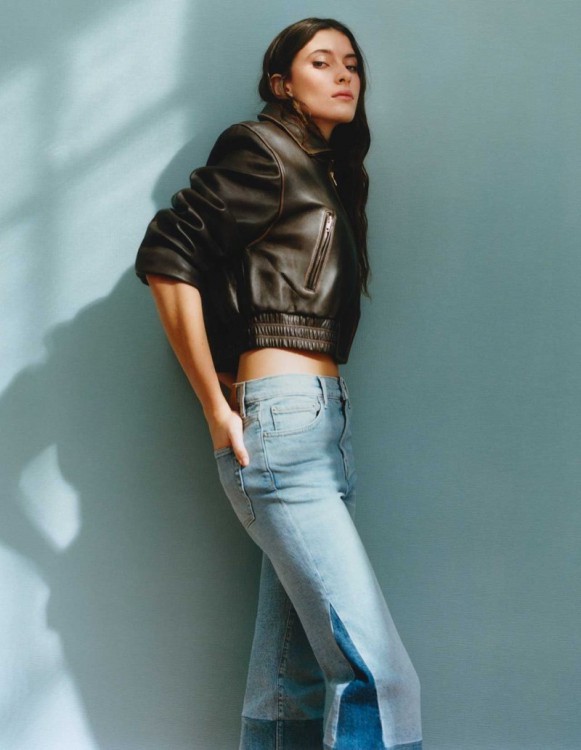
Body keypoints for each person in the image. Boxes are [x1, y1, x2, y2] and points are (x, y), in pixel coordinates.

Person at [134, 17, 422, 750]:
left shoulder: (324, 172)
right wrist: (215, 403)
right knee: (379, 676)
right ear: (280, 84)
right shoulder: (261, 149)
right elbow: (168, 256)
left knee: (286, 682)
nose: (343, 74)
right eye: (320, 62)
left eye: (351, 62)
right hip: (283, 427)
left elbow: (247, 286)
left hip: (319, 425)